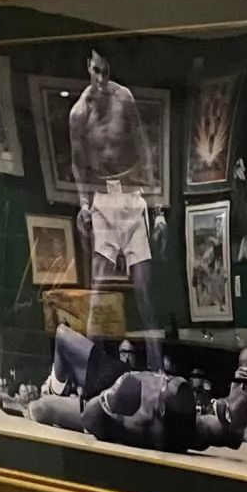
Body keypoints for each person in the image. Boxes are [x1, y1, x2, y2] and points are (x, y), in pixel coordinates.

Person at [0, 321, 243, 455]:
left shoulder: (140, 423)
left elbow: (91, 421)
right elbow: (222, 434)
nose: (160, 380)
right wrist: (231, 417)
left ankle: (33, 403)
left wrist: (109, 400)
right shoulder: (195, 426)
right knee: (63, 335)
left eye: (161, 389)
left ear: (158, 410)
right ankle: (57, 386)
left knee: (44, 408)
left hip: (109, 403)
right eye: (166, 380)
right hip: (120, 376)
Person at [70, 49, 165, 333]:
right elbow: (78, 165)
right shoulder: (79, 113)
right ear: (88, 66)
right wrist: (83, 204)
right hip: (102, 197)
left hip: (131, 194)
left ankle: (157, 367)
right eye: (96, 70)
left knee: (144, 291)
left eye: (106, 72)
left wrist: (158, 209)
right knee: (97, 287)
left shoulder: (123, 98)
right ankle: (90, 368)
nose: (101, 78)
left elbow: (145, 151)